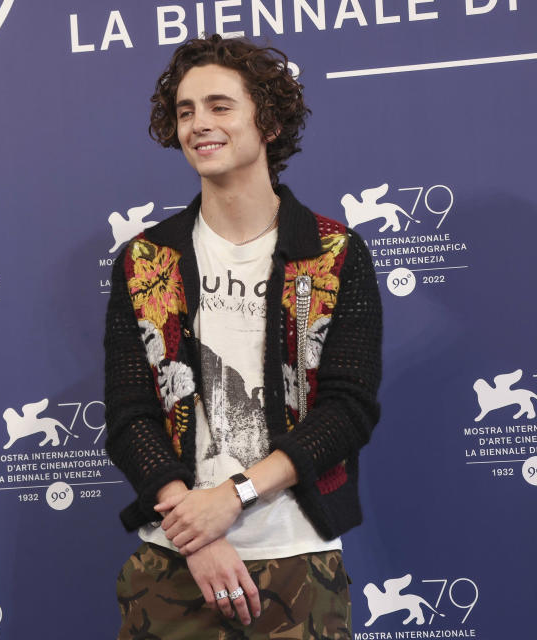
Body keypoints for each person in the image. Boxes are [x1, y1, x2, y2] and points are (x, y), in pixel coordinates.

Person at [104, 33, 382, 639]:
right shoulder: (146, 261)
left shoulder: (334, 254)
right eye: (185, 110)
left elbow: (348, 410)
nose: (198, 124)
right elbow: (130, 416)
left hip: (297, 558)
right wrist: (194, 531)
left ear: (271, 123)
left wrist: (232, 497)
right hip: (171, 566)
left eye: (219, 106)